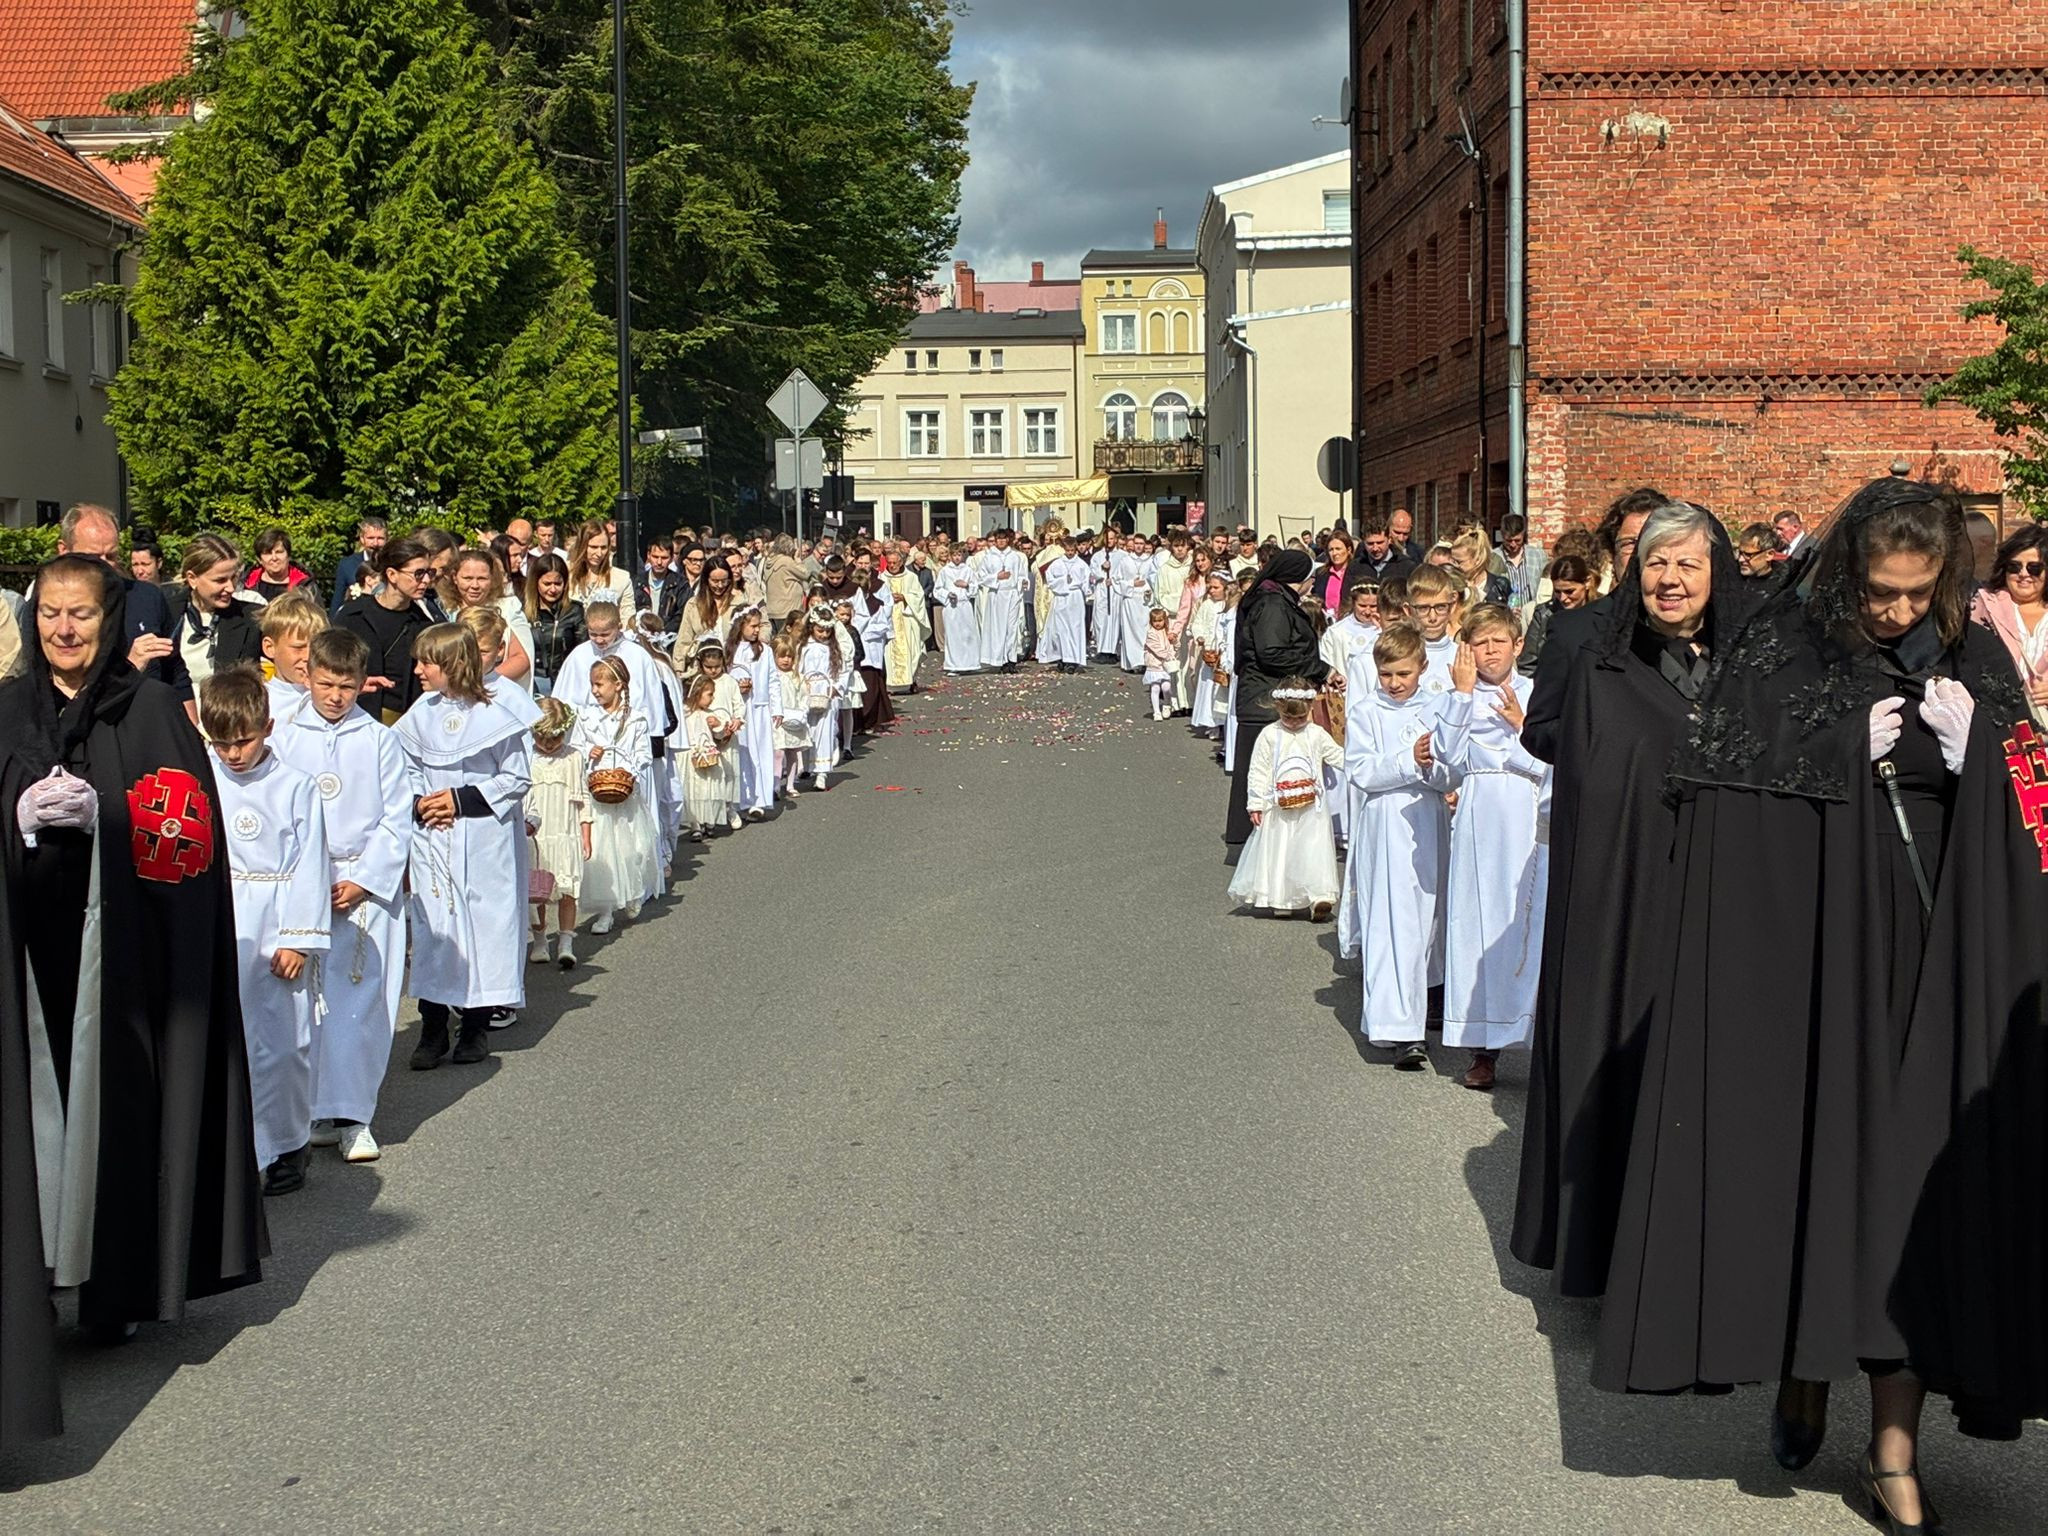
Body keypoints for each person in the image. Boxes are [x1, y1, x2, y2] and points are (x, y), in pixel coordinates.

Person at [1593, 479, 2048, 1522]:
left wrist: (1983, 755)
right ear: (1850, 571)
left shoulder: (1972, 646)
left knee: (1912, 1182)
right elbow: (1715, 796)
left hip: (1940, 948)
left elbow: (2031, 797)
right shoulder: (1781, 642)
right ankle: (1803, 1359)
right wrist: (1842, 748)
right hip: (1811, 946)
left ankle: (1894, 1442)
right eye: (1880, 593)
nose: (1893, 613)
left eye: (1913, 594)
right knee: (1814, 1162)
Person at [0, 555, 263, 1362]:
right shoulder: (7, 708)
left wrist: (105, 814)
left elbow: (187, 838)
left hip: (119, 962)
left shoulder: (150, 709)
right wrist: (15, 811)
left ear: (109, 617)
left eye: (79, 613)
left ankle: (110, 1286)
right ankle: (32, 1278)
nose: (64, 629)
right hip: (23, 954)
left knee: (111, 1111)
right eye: (50, 614)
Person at [1510, 502, 1744, 1297]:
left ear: (1718, 573)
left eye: (1687, 564)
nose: (1670, 579)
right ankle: (1601, 1250)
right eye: (1655, 562)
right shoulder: (1592, 650)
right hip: (1617, 881)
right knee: (1612, 1048)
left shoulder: (1747, 655)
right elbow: (1558, 744)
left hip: (1714, 884)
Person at [271, 628, 410, 1165]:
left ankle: (355, 1115)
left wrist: (365, 878)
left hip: (361, 884)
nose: (335, 696)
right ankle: (309, 1110)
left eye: (347, 687)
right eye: (326, 684)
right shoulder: (283, 735)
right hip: (305, 880)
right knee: (309, 1004)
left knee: (361, 1004)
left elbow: (397, 818)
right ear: (307, 675)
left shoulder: (379, 740)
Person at [199, 666, 329, 1197]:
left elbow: (310, 863)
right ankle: (232, 1150)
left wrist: (298, 937)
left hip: (276, 920)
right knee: (224, 1040)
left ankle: (288, 1144)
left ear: (267, 728)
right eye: (222, 742)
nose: (233, 754)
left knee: (282, 1044)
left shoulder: (295, 786)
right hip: (223, 914)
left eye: (244, 741)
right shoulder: (203, 777)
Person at [394, 624, 530, 1068]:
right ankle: (431, 1027)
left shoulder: (501, 709)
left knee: (481, 928)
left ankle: (474, 1026)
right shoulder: (422, 710)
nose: (417, 670)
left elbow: (515, 778)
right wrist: (421, 803)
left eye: (425, 662)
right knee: (436, 929)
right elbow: (405, 767)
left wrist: (460, 798)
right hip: (433, 835)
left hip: (481, 835)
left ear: (452, 664)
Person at [1433, 607, 1548, 1092]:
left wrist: (1525, 726)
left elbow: (1553, 762)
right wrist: (1460, 697)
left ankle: (1537, 1035)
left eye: (1500, 641)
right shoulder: (1456, 696)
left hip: (1526, 815)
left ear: (1518, 645)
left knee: (1525, 924)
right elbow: (1446, 762)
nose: (1491, 651)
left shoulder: (1537, 695)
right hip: (1479, 816)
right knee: (1477, 926)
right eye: (1480, 643)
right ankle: (1484, 1048)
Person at [1340, 624, 1456, 1063]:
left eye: (1404, 674)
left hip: (1427, 821)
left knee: (1427, 918)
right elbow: (1363, 771)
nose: (1395, 683)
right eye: (1387, 674)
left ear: (1423, 668)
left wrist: (1432, 770)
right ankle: (1397, 1026)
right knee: (1391, 920)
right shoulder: (1367, 711)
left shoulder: (1437, 708)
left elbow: (1451, 773)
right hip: (1385, 824)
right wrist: (1410, 760)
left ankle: (1425, 1001)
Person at [1520, 486, 1665, 761]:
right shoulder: (1573, 631)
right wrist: (1601, 736)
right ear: (1612, 554)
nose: (1641, 552)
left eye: (1655, 539)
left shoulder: (1702, 631)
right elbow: (1538, 732)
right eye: (1629, 543)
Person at [1225, 549, 1334, 845]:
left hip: (1265, 696)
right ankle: (1259, 842)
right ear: (1295, 578)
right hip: (1266, 700)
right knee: (1263, 773)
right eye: (1311, 576)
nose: (1313, 582)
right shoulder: (1272, 603)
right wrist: (1320, 669)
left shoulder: (1275, 598)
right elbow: (1271, 652)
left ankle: (1266, 842)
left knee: (1264, 771)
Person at [1228, 678, 1344, 920]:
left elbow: (1337, 756)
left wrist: (1362, 766)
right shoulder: (1270, 735)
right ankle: (1282, 897)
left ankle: (1319, 896)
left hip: (1312, 807)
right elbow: (1258, 770)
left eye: (1300, 718)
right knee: (1282, 849)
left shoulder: (1316, 734)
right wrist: (1255, 803)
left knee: (1312, 849)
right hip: (1278, 806)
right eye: (1288, 718)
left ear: (1310, 709)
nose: (1293, 723)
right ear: (1278, 708)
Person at [574, 655, 661, 926]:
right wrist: (590, 751)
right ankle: (606, 909)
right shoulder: (587, 718)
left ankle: (633, 892)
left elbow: (644, 754)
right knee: (602, 850)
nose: (595, 690)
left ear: (619, 685)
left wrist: (629, 772)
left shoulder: (636, 719)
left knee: (632, 846)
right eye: (592, 685)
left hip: (625, 792)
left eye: (600, 684)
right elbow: (575, 747)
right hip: (598, 792)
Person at [53, 504, 173, 678]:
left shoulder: (147, 597)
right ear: (64, 550)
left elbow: (175, 670)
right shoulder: (47, 608)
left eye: (111, 556)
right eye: (93, 557)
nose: (104, 565)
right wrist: (130, 667)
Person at [332, 537, 434, 724]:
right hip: (355, 717)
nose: (426, 580)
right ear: (392, 575)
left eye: (429, 572)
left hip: (407, 722)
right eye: (418, 573)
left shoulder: (424, 623)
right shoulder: (353, 617)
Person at [163, 534, 265, 711]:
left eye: (234, 578)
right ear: (192, 578)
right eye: (220, 580)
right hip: (174, 720)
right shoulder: (165, 614)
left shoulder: (252, 617)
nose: (231, 588)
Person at [524, 695, 588, 969]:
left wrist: (585, 833)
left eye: (554, 738)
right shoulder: (528, 758)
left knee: (567, 890)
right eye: (542, 739)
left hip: (565, 830)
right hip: (538, 834)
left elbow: (582, 797)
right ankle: (540, 940)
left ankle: (566, 942)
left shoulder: (573, 757)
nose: (548, 745)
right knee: (537, 889)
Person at [1971, 522, 2048, 727]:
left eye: (2034, 568)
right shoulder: (1982, 606)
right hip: (2002, 726)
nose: (2023, 574)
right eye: (2014, 567)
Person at [1516, 554, 1595, 678]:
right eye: (1557, 592)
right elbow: (1527, 665)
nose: (1563, 598)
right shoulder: (1544, 614)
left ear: (1587, 582)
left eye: (1570, 591)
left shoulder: (1602, 612)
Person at [798, 606, 847, 791]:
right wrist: (802, 686)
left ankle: (822, 773)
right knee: (807, 731)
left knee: (824, 732)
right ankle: (805, 767)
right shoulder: (804, 648)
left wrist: (836, 687)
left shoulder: (834, 649)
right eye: (820, 630)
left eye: (827, 631)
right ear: (811, 627)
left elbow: (843, 671)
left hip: (827, 693)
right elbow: (798, 670)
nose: (824, 634)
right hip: (808, 693)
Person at [523, 552, 585, 699]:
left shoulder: (575, 611)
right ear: (535, 582)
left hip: (566, 683)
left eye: (558, 584)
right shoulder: (523, 613)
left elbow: (582, 650)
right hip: (534, 685)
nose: (552, 589)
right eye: (547, 584)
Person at [257, 591, 325, 723]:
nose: (308, 656)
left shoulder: (330, 697)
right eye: (298, 648)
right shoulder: (258, 701)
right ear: (270, 648)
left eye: (316, 647)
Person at [564, 521, 637, 625]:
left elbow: (628, 620)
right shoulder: (565, 573)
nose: (599, 553)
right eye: (593, 547)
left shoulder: (622, 578)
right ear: (582, 545)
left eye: (603, 548)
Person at [976, 527, 1028, 672]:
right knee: (999, 628)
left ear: (1008, 540)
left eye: (1003, 538)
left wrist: (1023, 583)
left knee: (1012, 628)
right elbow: (980, 577)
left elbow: (1022, 574)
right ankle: (1000, 659)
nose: (1001, 541)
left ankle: (1011, 660)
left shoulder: (1015, 556)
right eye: (998, 539)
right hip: (997, 594)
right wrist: (996, 577)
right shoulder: (989, 557)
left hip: (1012, 594)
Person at [1186, 570, 1229, 741]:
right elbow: (1198, 623)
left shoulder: (1229, 605)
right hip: (1209, 654)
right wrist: (1200, 636)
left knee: (1221, 690)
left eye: (1216, 587)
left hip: (1223, 654)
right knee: (1209, 688)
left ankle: (1223, 722)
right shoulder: (1207, 605)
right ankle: (1211, 723)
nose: (1211, 591)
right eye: (1210, 587)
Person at [769, 626, 812, 798]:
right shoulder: (773, 676)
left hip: (795, 718)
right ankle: (775, 785)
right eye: (782, 656)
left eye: (789, 656)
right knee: (778, 752)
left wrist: (803, 712)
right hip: (778, 720)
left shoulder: (798, 677)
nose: (786, 660)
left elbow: (804, 696)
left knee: (793, 752)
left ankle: (791, 784)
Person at [1039, 535, 1091, 674]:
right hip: (1061, 598)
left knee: (1074, 629)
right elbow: (1049, 579)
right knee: (1059, 630)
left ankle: (1073, 660)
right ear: (1064, 549)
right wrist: (1063, 582)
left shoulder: (1081, 565)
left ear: (1076, 550)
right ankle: (1061, 657)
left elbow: (1086, 583)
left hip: (1075, 599)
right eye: (1067, 550)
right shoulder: (1056, 564)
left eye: (1072, 550)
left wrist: (1085, 591)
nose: (1070, 553)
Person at [243, 528, 323, 608]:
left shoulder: (306, 586)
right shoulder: (247, 585)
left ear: (288, 556)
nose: (274, 558)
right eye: (267, 553)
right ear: (259, 559)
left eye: (279, 552)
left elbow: (318, 617)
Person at [937, 545, 984, 673]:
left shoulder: (968, 570)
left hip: (965, 605)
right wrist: (948, 595)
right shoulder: (945, 571)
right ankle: (953, 665)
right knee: (953, 636)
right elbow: (938, 589)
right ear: (950, 556)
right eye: (954, 555)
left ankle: (970, 664)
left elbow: (975, 587)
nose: (957, 558)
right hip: (951, 606)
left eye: (959, 555)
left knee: (968, 634)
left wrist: (966, 585)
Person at [330, 518, 388, 613]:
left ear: (387, 539)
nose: (375, 543)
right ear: (362, 538)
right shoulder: (347, 564)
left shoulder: (393, 563)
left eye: (380, 538)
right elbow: (337, 601)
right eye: (371, 538)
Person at [633, 537, 686, 635]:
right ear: (648, 556)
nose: (659, 562)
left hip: (668, 638)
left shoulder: (681, 584)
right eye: (655, 557)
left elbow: (681, 614)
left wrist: (662, 632)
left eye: (664, 558)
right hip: (641, 636)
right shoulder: (637, 582)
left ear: (671, 558)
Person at [1498, 514, 1545, 608]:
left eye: (1517, 540)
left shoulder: (1538, 556)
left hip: (1531, 614)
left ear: (1523, 535)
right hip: (1504, 615)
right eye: (1509, 540)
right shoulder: (1494, 557)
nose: (1513, 544)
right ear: (1502, 535)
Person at [1140, 608, 1176, 720]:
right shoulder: (1151, 633)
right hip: (1155, 664)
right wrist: (1167, 655)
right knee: (1155, 687)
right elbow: (1156, 649)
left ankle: (1166, 704)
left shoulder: (1167, 632)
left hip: (1166, 665)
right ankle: (1156, 711)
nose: (1158, 623)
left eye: (1160, 620)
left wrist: (1174, 641)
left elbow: (1174, 645)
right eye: (1155, 621)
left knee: (1166, 687)